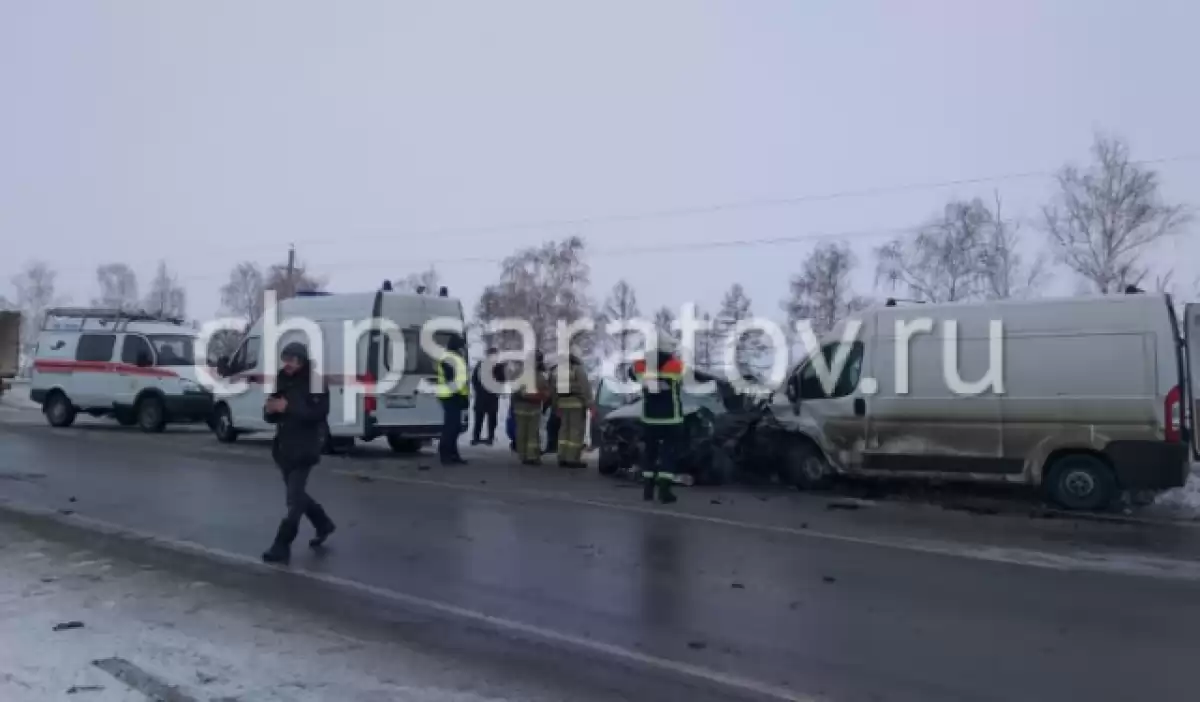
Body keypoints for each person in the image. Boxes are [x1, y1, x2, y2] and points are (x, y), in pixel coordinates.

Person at [261, 342, 335, 565]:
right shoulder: (281, 378)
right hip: (284, 446)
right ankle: (323, 523)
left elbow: (318, 413)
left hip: (307, 445)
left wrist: (288, 407)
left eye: (293, 360)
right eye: (286, 359)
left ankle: (282, 544)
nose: (289, 364)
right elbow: (273, 409)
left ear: (302, 361)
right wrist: (270, 410)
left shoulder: (316, 382)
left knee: (293, 499)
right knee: (298, 496)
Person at [628, 333, 686, 504]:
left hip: (650, 418)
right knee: (669, 453)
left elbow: (631, 373)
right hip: (671, 418)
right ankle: (664, 491)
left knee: (650, 452)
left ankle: (648, 489)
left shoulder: (641, 366)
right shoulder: (675, 365)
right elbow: (685, 377)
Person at [551, 348, 592, 468]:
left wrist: (555, 405)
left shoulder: (558, 371)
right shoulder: (577, 369)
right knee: (575, 431)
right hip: (576, 403)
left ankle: (562, 456)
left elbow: (553, 389)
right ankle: (572, 458)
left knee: (564, 430)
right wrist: (590, 403)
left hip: (563, 403)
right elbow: (585, 387)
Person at [435, 333, 470, 465]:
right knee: (450, 427)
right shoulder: (449, 358)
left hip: (455, 396)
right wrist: (460, 395)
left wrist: (464, 395)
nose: (462, 348)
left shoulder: (455, 357)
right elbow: (452, 379)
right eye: (461, 345)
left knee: (455, 427)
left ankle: (453, 453)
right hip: (450, 396)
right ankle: (445, 454)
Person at [513, 350, 549, 465]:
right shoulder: (537, 375)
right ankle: (531, 456)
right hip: (531, 407)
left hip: (523, 407)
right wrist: (540, 395)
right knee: (531, 432)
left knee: (523, 431)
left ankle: (524, 455)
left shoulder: (521, 372)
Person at [470, 347, 504, 445]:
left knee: (491, 418)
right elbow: (475, 379)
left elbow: (502, 380)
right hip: (484, 395)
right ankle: (477, 437)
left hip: (490, 396)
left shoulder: (498, 366)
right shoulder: (481, 365)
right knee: (479, 418)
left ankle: (489, 437)